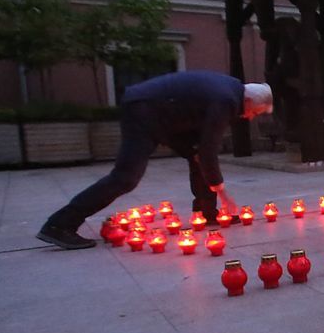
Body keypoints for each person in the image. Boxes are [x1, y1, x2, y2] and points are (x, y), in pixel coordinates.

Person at [37, 72, 273, 250]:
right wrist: (224, 194)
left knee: (194, 153)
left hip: (164, 113)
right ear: (250, 101)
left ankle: (207, 212)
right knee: (125, 177)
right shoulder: (226, 100)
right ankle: (60, 225)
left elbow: (202, 150)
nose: (251, 118)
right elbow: (209, 149)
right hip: (145, 111)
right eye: (256, 113)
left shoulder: (229, 89)